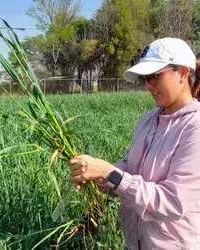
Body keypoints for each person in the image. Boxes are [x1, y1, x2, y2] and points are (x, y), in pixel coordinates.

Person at [69, 37, 200, 250]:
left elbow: (172, 201)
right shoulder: (148, 120)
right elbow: (130, 168)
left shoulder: (195, 126)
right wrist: (97, 176)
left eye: (154, 77)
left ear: (183, 74)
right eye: (145, 79)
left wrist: (109, 173)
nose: (149, 86)